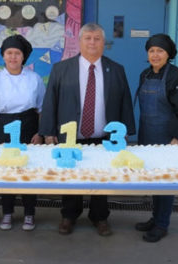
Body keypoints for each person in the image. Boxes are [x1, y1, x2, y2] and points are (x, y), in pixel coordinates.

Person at [39, 23, 135, 236]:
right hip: (71, 137)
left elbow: (125, 101)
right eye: (88, 38)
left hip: (104, 138)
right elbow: (50, 102)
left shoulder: (116, 69)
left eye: (97, 38)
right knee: (71, 178)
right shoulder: (61, 69)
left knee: (101, 178)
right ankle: (69, 216)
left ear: (103, 43)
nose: (92, 42)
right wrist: (48, 131)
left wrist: (126, 130)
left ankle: (100, 217)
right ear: (79, 41)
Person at [0, 35, 45, 231]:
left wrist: (40, 133)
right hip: (3, 128)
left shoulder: (34, 79)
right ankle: (7, 212)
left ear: (23, 57)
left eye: (17, 53)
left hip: (28, 126)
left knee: (28, 171)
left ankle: (29, 213)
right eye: (9, 53)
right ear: (3, 56)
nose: (13, 57)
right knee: (6, 172)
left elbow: (42, 109)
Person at [134, 34, 178, 242]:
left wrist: (177, 137)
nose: (155, 55)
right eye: (151, 51)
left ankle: (162, 223)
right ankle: (155, 217)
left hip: (167, 137)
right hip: (147, 133)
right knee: (153, 179)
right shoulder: (145, 74)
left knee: (166, 180)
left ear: (168, 54)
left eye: (160, 51)